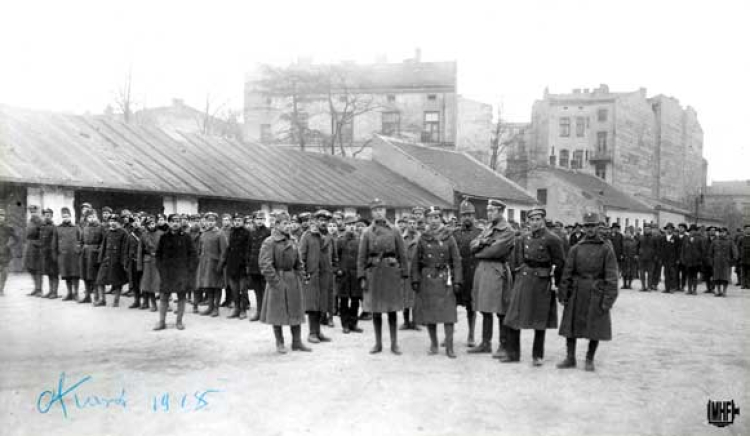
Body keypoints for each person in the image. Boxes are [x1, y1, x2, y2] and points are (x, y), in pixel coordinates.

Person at [557, 212, 618, 372]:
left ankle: (589, 359)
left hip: (595, 291)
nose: (590, 229)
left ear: (598, 227)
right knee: (570, 326)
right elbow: (567, 273)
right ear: (583, 227)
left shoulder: (606, 249)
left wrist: (608, 300)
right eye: (587, 226)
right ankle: (570, 358)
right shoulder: (575, 249)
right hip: (577, 291)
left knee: (595, 328)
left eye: (593, 226)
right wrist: (564, 293)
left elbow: (612, 276)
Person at [503, 207, 565, 366]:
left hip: (541, 281)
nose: (535, 222)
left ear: (543, 220)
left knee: (539, 320)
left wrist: (558, 285)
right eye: (532, 219)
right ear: (528, 221)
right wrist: (519, 272)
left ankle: (537, 355)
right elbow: (517, 259)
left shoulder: (552, 239)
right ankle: (513, 353)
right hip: (524, 279)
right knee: (514, 316)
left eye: (538, 219)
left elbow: (560, 264)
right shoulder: (523, 238)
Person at [358, 198, 409, 355]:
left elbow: (402, 254)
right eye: (375, 210)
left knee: (392, 309)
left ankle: (394, 344)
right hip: (374, 273)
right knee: (376, 310)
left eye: (381, 209)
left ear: (385, 211)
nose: (378, 212)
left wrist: (404, 273)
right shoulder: (367, 232)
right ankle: (378, 343)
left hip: (390, 272)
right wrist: (361, 276)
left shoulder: (395, 230)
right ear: (371, 213)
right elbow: (361, 256)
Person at [411, 206, 462, 358]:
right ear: (426, 219)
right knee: (430, 314)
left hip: (444, 278)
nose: (433, 221)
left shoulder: (449, 237)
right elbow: (415, 262)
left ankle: (450, 347)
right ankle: (434, 344)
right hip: (428, 278)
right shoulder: (423, 238)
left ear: (441, 219)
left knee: (448, 314)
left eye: (436, 217)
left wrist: (457, 280)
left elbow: (456, 260)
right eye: (430, 218)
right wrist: (415, 279)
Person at [467, 199, 516, 359]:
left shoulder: (507, 230)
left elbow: (495, 251)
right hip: (483, 269)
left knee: (500, 309)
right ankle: (485, 343)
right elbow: (471, 244)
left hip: (496, 269)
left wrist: (478, 251)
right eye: (488, 210)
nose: (489, 213)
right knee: (484, 308)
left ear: (501, 211)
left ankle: (503, 344)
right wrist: (482, 242)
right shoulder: (488, 227)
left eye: (493, 210)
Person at [259, 212, 311, 353]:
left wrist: (301, 277)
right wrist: (275, 282)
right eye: (284, 224)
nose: (287, 227)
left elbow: (299, 262)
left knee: (296, 311)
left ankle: (297, 342)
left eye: (289, 223)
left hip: (293, 280)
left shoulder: (293, 241)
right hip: (278, 280)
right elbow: (265, 264)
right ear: (277, 225)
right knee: (278, 313)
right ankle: (280, 342)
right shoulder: (269, 242)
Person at [154, 214, 196, 330]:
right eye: (173, 221)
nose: (175, 223)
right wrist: (161, 268)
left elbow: (193, 254)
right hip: (166, 272)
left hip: (181, 273)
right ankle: (162, 322)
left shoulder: (186, 237)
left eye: (178, 221)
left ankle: (179, 322)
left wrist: (189, 270)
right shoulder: (164, 237)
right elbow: (158, 255)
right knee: (164, 296)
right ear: (169, 223)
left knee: (181, 296)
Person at [299, 210, 335, 344]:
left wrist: (333, 270)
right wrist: (303, 274)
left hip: (325, 276)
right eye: (320, 220)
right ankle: (312, 333)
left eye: (325, 220)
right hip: (311, 275)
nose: (323, 222)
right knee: (313, 305)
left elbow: (334, 256)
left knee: (322, 305)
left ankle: (319, 332)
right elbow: (301, 257)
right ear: (315, 221)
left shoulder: (330, 237)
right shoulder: (307, 236)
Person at [452, 199, 482, 346]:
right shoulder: (454, 234)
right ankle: (448, 335)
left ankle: (471, 335)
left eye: (469, 214)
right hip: (458, 273)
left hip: (473, 273)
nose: (467, 218)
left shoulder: (481, 233)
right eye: (464, 215)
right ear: (460, 217)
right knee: (451, 304)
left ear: (474, 215)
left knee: (471, 306)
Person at [335, 215, 364, 334]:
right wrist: (338, 270)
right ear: (345, 226)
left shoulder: (360, 241)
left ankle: (353, 323)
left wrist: (362, 273)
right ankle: (345, 324)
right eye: (349, 225)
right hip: (344, 275)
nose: (351, 227)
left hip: (355, 275)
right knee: (344, 300)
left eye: (353, 225)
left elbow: (363, 258)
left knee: (356, 300)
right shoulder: (340, 241)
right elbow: (335, 257)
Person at [196, 212, 227, 317]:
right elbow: (200, 249)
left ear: (216, 222)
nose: (210, 223)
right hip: (205, 264)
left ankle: (216, 308)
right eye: (208, 221)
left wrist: (221, 264)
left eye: (212, 221)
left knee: (216, 286)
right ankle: (210, 307)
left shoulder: (220, 234)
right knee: (208, 286)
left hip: (215, 263)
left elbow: (224, 251)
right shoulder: (204, 233)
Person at [95, 215, 129, 307]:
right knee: (100, 280)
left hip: (117, 261)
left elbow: (125, 249)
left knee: (117, 281)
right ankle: (102, 300)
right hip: (106, 260)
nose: (112, 223)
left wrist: (123, 262)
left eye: (115, 221)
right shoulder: (107, 232)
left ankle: (116, 300)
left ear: (119, 223)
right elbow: (104, 246)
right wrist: (100, 258)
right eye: (111, 221)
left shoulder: (124, 233)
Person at [225, 213, 251, 319]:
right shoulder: (231, 232)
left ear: (243, 222)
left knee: (243, 289)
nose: (237, 222)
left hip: (242, 266)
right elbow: (229, 248)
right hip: (232, 265)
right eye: (235, 220)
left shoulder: (247, 233)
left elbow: (248, 249)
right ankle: (236, 308)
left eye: (239, 221)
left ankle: (243, 310)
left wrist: (247, 264)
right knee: (234, 289)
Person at [55, 207, 81, 301]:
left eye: (67, 216)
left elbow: (80, 239)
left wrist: (78, 248)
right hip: (63, 255)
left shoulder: (76, 227)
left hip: (74, 255)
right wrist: (57, 252)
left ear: (70, 217)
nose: (65, 218)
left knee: (75, 275)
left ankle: (76, 293)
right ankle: (69, 293)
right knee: (66, 274)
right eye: (63, 217)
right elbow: (55, 241)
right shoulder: (58, 228)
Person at [400, 214, 420, 331]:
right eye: (410, 223)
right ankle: (406, 321)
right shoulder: (402, 238)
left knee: (416, 297)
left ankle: (415, 322)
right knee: (405, 296)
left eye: (414, 223)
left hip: (416, 268)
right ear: (407, 225)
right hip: (406, 268)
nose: (412, 225)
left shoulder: (420, 238)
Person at [78, 210, 102, 304]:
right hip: (85, 253)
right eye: (89, 217)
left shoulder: (100, 228)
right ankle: (87, 296)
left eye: (93, 217)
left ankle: (96, 296)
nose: (91, 219)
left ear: (96, 217)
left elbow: (103, 242)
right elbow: (81, 240)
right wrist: (80, 249)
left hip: (94, 254)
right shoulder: (85, 228)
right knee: (85, 275)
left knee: (94, 276)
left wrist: (98, 250)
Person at [138, 216, 161, 311]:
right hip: (147, 261)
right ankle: (153, 304)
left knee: (160, 282)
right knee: (148, 283)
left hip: (159, 260)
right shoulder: (144, 235)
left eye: (153, 223)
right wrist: (139, 265)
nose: (151, 226)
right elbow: (140, 251)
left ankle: (166, 304)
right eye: (149, 224)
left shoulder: (161, 234)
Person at [708, 228, 737, 297]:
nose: (722, 234)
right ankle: (718, 291)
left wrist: (732, 261)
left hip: (726, 263)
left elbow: (735, 253)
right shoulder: (715, 241)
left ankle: (724, 291)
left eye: (723, 232)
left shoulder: (730, 241)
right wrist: (711, 261)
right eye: (720, 232)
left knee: (725, 278)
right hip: (717, 262)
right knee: (716, 278)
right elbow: (710, 253)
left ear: (726, 233)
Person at [24, 205, 44, 297]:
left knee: (37, 269)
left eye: (34, 211)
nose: (33, 213)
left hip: (36, 248)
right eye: (31, 212)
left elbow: (43, 234)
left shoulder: (39, 221)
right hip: (29, 246)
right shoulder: (30, 221)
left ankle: (39, 289)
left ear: (37, 212)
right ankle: (36, 288)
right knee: (30, 267)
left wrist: (38, 244)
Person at [681, 224, 706, 295]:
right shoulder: (686, 239)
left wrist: (700, 259)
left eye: (694, 231)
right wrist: (683, 258)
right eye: (691, 231)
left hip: (696, 261)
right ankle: (689, 289)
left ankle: (694, 290)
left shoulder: (700, 239)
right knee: (689, 276)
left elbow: (703, 250)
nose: (692, 232)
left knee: (694, 276)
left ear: (696, 231)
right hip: (688, 260)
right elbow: (683, 250)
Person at [0, 208, 19, 296]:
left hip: (4, 252)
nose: (0, 217)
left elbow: (16, 238)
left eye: (2, 216)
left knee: (4, 271)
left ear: (4, 217)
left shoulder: (8, 227)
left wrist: (8, 245)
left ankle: (1, 289)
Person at [660, 223, 680, 293]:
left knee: (672, 274)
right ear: (666, 230)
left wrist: (678, 259)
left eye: (670, 228)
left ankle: (672, 288)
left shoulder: (676, 238)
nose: (669, 230)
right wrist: (661, 258)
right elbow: (661, 249)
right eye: (668, 229)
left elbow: (678, 249)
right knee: (666, 274)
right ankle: (667, 288)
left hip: (673, 259)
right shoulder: (663, 238)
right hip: (665, 259)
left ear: (672, 230)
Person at [637, 224, 658, 292]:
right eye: (645, 229)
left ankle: (649, 287)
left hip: (651, 258)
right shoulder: (641, 237)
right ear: (644, 230)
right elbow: (637, 246)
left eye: (648, 229)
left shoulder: (654, 238)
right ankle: (643, 286)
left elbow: (656, 248)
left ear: (650, 230)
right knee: (642, 273)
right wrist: (637, 254)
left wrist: (655, 256)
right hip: (642, 258)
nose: (647, 230)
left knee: (650, 273)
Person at [740, 224, 750, 289]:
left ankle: (749, 284)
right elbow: (737, 247)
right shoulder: (741, 238)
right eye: (747, 229)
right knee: (743, 272)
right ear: (744, 230)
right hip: (743, 257)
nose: (748, 230)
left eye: (749, 229)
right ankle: (743, 284)